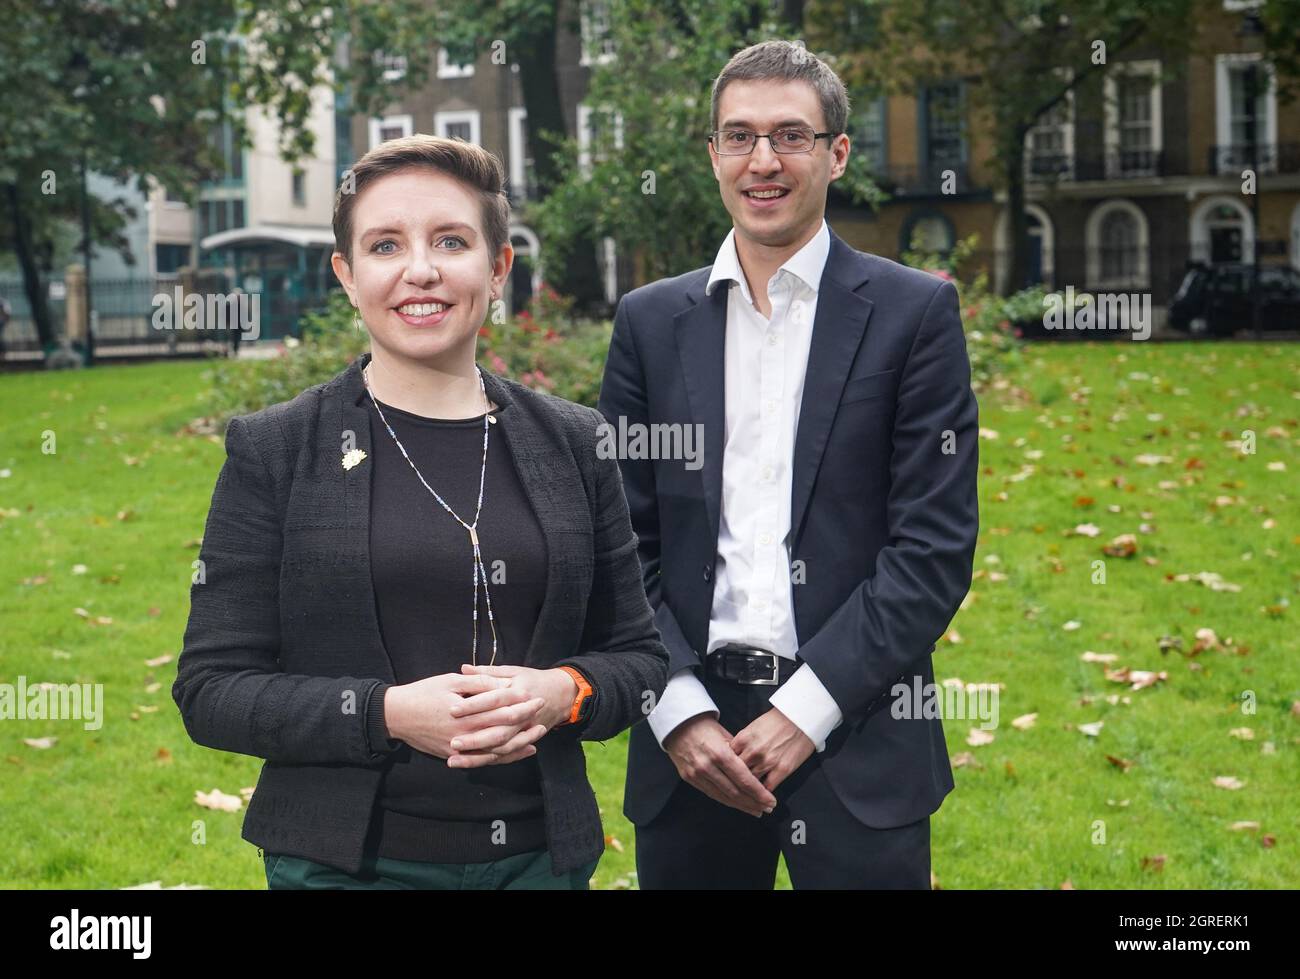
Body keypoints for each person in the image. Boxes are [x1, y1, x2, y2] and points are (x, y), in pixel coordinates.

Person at [173, 134, 669, 890]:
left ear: (498, 267)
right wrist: (386, 713)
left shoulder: (574, 441)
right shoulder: (275, 449)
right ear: (347, 274)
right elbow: (212, 691)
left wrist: (564, 693)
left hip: (540, 859)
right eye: (384, 245)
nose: (421, 270)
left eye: (450, 240)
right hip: (347, 864)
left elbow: (639, 657)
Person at [599, 40, 978, 889]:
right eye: (738, 136)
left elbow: (932, 550)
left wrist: (805, 712)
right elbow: (618, 545)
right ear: (712, 156)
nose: (762, 161)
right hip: (688, 746)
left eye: (790, 136)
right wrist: (677, 710)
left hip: (857, 731)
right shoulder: (650, 324)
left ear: (837, 153)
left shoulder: (914, 315)